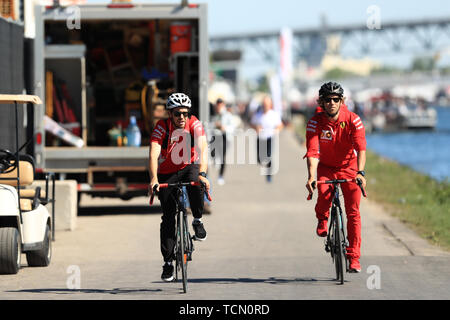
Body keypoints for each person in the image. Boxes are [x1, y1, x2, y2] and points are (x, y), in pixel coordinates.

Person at [304, 82, 367, 273]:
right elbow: (313, 152)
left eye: (336, 99)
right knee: (323, 195)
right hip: (326, 167)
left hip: (349, 167)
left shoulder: (353, 120)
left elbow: (361, 148)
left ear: (342, 101)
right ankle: (322, 218)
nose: (332, 103)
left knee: (353, 212)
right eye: (328, 100)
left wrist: (360, 172)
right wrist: (311, 176)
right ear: (321, 102)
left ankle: (354, 257)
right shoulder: (315, 122)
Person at [149, 92, 210, 282]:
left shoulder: (195, 124)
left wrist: (202, 173)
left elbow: (203, 149)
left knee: (196, 184)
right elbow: (153, 155)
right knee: (168, 218)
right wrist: (153, 179)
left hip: (189, 166)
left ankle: (197, 220)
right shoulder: (161, 128)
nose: (181, 117)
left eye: (185, 113)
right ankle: (168, 263)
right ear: (170, 114)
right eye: (177, 114)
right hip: (167, 172)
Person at [251, 95, 283, 183]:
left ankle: (269, 175)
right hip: (260, 138)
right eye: (264, 104)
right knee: (260, 159)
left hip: (269, 137)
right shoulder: (258, 114)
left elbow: (280, 125)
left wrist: (276, 130)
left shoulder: (274, 115)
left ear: (270, 104)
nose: (265, 106)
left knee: (269, 156)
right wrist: (256, 127)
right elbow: (252, 124)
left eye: (267, 104)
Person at [210, 98, 235, 185]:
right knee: (212, 153)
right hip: (214, 136)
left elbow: (232, 127)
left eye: (220, 105)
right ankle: (215, 160)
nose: (218, 107)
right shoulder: (212, 114)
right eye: (217, 105)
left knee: (222, 157)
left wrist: (224, 128)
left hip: (224, 136)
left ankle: (220, 176)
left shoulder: (228, 115)